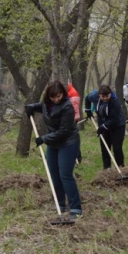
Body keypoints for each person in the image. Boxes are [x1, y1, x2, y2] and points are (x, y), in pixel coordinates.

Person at [26, 81, 82, 220]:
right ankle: (60, 204)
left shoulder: (67, 107)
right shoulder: (47, 103)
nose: (57, 99)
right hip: (53, 143)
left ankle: (75, 207)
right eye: (53, 97)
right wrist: (32, 107)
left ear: (63, 93)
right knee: (54, 173)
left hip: (68, 142)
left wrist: (44, 139)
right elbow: (43, 107)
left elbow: (63, 131)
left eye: (59, 96)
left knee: (65, 174)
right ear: (49, 96)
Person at [95, 85, 126, 169]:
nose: (105, 98)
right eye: (103, 96)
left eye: (107, 96)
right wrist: (87, 110)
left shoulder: (115, 102)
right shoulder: (95, 96)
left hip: (118, 126)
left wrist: (103, 127)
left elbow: (114, 119)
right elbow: (87, 98)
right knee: (105, 148)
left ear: (110, 94)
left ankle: (120, 167)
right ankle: (107, 169)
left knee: (117, 148)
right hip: (105, 126)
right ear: (99, 95)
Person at [67, 82, 82, 163]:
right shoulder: (71, 91)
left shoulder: (72, 93)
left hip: (72, 119)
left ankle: (77, 157)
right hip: (73, 118)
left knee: (72, 137)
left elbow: (74, 108)